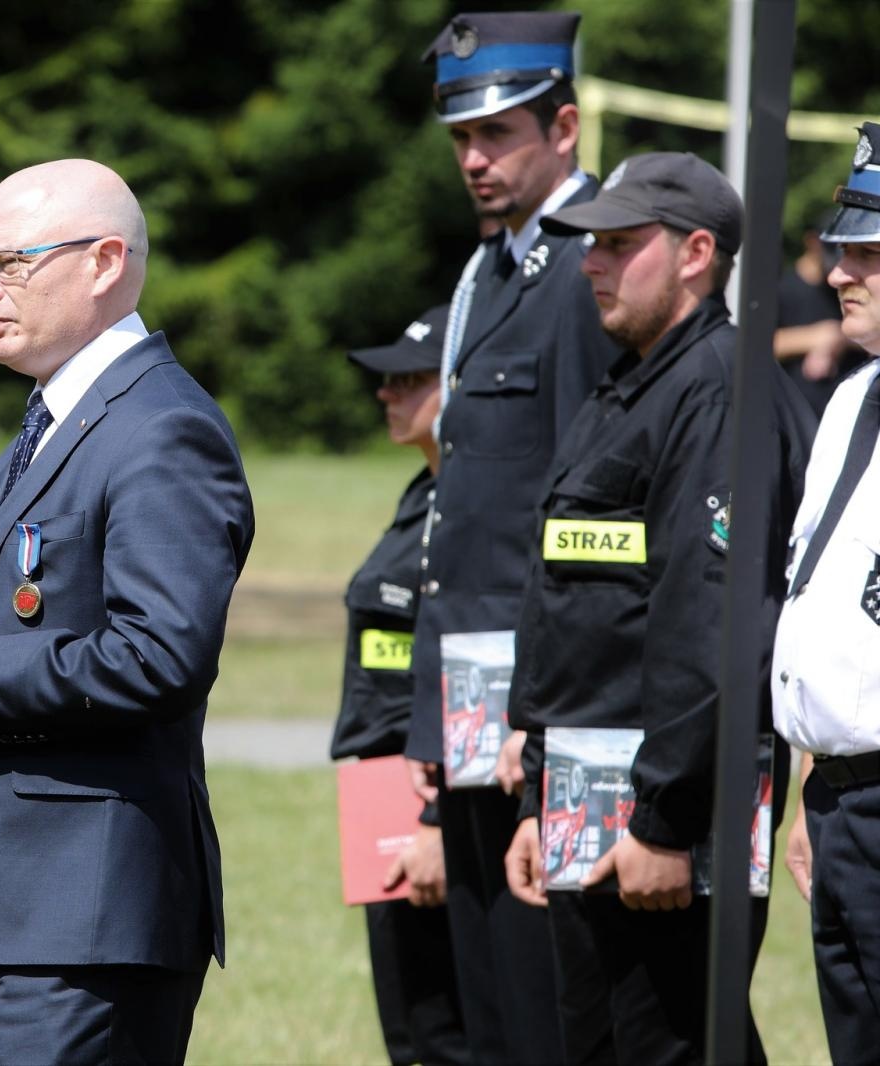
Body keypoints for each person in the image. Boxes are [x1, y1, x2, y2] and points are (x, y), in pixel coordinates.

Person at [0, 159, 254, 1064]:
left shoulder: (161, 428)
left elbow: (158, 656)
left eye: (9, 264)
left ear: (105, 262)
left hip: (89, 912)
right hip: (25, 902)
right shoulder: (53, 420)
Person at [500, 151, 813, 1063]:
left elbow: (709, 617)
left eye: (619, 243)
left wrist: (665, 823)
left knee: (669, 1043)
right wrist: (538, 797)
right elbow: (578, 606)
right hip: (588, 801)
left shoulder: (717, 389)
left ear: (695, 253)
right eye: (590, 243)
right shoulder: (634, 380)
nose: (591, 261)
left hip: (659, 821)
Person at [407, 13, 622, 1062]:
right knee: (485, 998)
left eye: (497, 135)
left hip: (532, 712)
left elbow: (583, 518)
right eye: (460, 140)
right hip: (469, 703)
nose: (474, 159)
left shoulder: (590, 270)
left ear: (566, 127)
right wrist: (424, 730)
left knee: (547, 1008)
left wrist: (541, 714)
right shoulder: (488, 272)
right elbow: (459, 526)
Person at [332, 305, 468, 1066]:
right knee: (412, 1033)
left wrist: (436, 818)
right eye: (385, 380)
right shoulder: (422, 492)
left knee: (450, 1034)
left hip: (432, 799)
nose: (387, 394)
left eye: (410, 379)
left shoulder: (480, 512)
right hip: (382, 785)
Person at [774, 120, 880, 1066]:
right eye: (842, 247)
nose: (840, 270)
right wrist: (816, 780)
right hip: (842, 802)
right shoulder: (853, 397)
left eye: (870, 251)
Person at [773, 214, 865, 416]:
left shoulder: (848, 288)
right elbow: (753, 345)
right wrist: (814, 337)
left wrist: (840, 339)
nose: (838, 276)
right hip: (795, 415)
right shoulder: (782, 290)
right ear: (812, 242)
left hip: (843, 413)